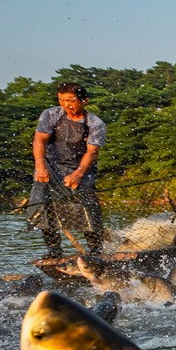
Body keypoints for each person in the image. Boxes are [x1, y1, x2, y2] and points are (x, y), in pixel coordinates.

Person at [29, 82, 106, 257]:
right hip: (50, 165)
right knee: (42, 205)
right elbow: (39, 141)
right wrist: (40, 167)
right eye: (61, 100)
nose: (66, 104)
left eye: (71, 100)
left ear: (84, 100)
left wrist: (78, 174)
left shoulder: (95, 123)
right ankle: (54, 250)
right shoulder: (51, 115)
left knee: (87, 207)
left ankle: (95, 250)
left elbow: (91, 152)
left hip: (81, 168)